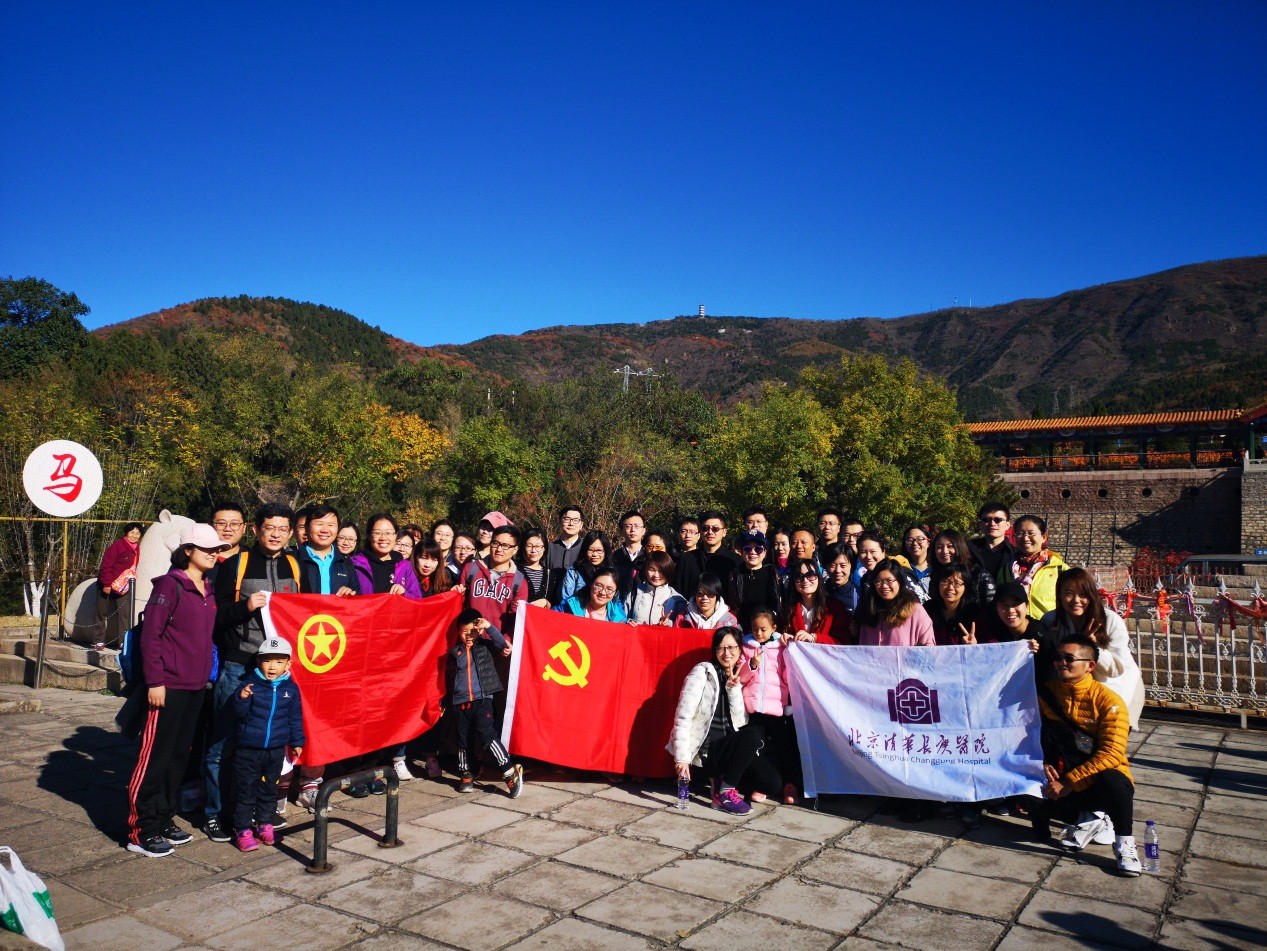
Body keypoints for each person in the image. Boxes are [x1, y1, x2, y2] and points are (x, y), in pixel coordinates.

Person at [126, 523, 224, 857]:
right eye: (206, 548)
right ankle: (141, 829)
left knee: (178, 757)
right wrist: (155, 681)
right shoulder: (170, 585)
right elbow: (150, 637)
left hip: (195, 687)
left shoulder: (207, 587)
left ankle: (164, 818)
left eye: (215, 549)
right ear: (188, 551)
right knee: (154, 758)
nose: (213, 554)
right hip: (167, 687)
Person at [204, 503, 300, 842]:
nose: (275, 534)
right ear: (256, 529)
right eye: (269, 527)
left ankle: (258, 812)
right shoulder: (236, 564)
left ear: (291, 533)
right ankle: (215, 812)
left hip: (277, 672)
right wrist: (245, 607)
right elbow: (216, 616)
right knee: (223, 745)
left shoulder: (294, 565)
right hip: (240, 666)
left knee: (267, 745)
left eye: (282, 529)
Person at [1027, 632, 1142, 876]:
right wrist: (1042, 763)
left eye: (1069, 659)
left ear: (1090, 666)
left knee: (1114, 780)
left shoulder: (1109, 701)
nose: (1062, 663)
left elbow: (1112, 753)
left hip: (1093, 780)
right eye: (1058, 657)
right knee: (1026, 786)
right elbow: (1029, 734)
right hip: (1061, 771)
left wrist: (1069, 783)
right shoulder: (1045, 694)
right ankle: (1085, 818)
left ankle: (1125, 844)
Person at [667, 627, 781, 814]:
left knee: (772, 783)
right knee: (752, 735)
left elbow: (740, 721)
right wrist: (682, 758)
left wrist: (733, 689)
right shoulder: (702, 672)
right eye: (721, 648)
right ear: (715, 650)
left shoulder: (737, 675)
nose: (727, 653)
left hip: (728, 749)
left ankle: (723, 781)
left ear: (739, 650)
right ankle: (725, 792)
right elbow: (683, 716)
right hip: (706, 752)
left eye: (732, 647)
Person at [1044, 568, 1144, 729]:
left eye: (1082, 594)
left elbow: (1115, 670)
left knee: (1112, 739)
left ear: (1091, 595)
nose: (1076, 600)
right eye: (1069, 593)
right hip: (1076, 692)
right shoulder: (1050, 621)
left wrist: (1093, 646)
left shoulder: (1110, 620)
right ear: (1059, 596)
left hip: (1116, 689)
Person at [230, 635, 304, 852]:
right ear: (258, 662)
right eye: (267, 661)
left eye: (279, 662)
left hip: (275, 750)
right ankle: (243, 830)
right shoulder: (250, 684)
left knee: (270, 789)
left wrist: (297, 741)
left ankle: (265, 824)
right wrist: (241, 698)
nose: (272, 667)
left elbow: (295, 718)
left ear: (288, 664)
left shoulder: (291, 689)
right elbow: (238, 713)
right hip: (249, 750)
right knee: (246, 791)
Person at [445, 610, 525, 797]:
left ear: (479, 630)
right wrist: (445, 701)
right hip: (460, 703)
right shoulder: (454, 651)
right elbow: (447, 678)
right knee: (463, 741)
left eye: (473, 631)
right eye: (464, 631)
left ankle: (509, 771)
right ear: (458, 631)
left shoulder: (485, 646)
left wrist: (488, 626)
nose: (468, 635)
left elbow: (501, 644)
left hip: (483, 700)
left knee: (488, 737)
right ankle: (466, 773)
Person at [738, 609, 800, 804]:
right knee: (759, 748)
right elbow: (741, 677)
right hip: (754, 707)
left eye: (763, 629)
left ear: (774, 628)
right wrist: (752, 664)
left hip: (776, 707)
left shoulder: (780, 647)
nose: (759, 633)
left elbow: (787, 678)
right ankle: (761, 784)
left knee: (784, 747)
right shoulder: (746, 646)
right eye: (755, 629)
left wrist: (789, 660)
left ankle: (790, 785)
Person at [461, 524, 529, 633]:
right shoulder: (471, 569)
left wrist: (506, 639)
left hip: (497, 640)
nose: (499, 549)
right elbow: (459, 604)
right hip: (469, 636)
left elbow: (516, 619)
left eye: (505, 546)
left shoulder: (519, 582)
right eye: (495, 543)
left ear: (515, 549)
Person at [855, 559, 936, 647]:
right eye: (879, 581)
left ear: (899, 582)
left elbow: (928, 647)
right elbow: (863, 649)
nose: (884, 586)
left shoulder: (915, 611)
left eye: (889, 580)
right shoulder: (869, 612)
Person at [999, 516, 1067, 619]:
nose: (1025, 538)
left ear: (1044, 537)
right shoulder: (1006, 569)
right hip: (1014, 627)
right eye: (1020, 534)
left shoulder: (1059, 569)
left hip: (1048, 627)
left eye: (1031, 533)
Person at [352, 514, 424, 600]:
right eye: (377, 533)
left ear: (395, 535)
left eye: (388, 533)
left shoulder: (405, 567)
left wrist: (404, 594)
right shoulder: (356, 564)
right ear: (369, 535)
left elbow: (417, 600)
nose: (383, 538)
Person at [780, 558, 852, 644]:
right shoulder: (788, 609)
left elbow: (843, 642)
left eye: (810, 575)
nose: (805, 580)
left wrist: (814, 638)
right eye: (799, 576)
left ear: (818, 578)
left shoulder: (835, 608)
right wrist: (784, 637)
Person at [295, 504, 360, 598]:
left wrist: (350, 594)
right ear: (307, 527)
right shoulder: (293, 559)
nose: (325, 530)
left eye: (331, 525)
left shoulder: (346, 564)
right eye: (319, 524)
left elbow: (358, 599)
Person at [97, 521, 143, 648]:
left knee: (124, 614)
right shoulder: (117, 546)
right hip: (108, 583)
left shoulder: (137, 548)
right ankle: (99, 640)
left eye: (137, 533)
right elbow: (106, 565)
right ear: (126, 533)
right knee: (101, 612)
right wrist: (106, 584)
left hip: (124, 586)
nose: (134, 535)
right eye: (132, 532)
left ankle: (123, 641)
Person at [730, 530, 781, 631]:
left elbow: (777, 606)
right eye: (747, 549)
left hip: (766, 631)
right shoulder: (734, 576)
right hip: (740, 630)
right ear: (741, 552)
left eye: (758, 549)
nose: (753, 552)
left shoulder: (772, 575)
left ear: (765, 552)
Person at [932, 528, 996, 607]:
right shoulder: (935, 576)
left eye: (950, 546)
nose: (945, 551)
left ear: (959, 547)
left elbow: (991, 607)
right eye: (939, 547)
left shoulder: (979, 576)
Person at [926, 562, 984, 646]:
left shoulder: (975, 612)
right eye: (945, 581)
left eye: (957, 583)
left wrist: (975, 645)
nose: (950, 587)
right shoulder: (928, 609)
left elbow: (991, 643)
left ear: (966, 587)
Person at [625, 550, 687, 625]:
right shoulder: (635, 593)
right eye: (652, 570)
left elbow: (682, 627)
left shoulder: (678, 600)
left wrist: (669, 624)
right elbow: (622, 617)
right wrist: (628, 622)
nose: (656, 575)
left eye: (661, 571)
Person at [555, 567, 628, 622]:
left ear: (615, 592)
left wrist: (630, 625)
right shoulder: (569, 606)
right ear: (591, 584)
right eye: (599, 586)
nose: (602, 592)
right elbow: (552, 619)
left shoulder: (620, 617)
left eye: (609, 589)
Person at [559, 530, 611, 603]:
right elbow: (565, 600)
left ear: (606, 551)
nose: (595, 554)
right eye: (591, 550)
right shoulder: (575, 572)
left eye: (599, 550)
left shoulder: (611, 574)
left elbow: (616, 600)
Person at [545, 506, 585, 602]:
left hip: (580, 605)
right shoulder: (548, 548)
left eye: (576, 520)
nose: (571, 523)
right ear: (560, 521)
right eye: (567, 519)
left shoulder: (587, 549)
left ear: (581, 525)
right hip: (551, 604)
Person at [970, 502, 1015, 584]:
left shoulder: (1015, 554)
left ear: (1008, 525)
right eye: (986, 520)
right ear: (980, 524)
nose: (992, 524)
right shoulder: (969, 550)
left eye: (998, 520)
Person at [610, 509, 647, 597]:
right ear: (622, 531)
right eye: (628, 526)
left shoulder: (649, 556)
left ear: (644, 530)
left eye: (637, 526)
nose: (632, 530)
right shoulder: (615, 557)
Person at [518, 529, 552, 607]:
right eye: (529, 546)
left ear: (544, 548)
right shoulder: (514, 569)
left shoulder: (549, 575)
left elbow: (554, 603)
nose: (533, 550)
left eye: (538, 546)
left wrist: (546, 603)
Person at [823, 544, 858, 614]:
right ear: (826, 567)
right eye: (832, 565)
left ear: (852, 566)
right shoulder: (818, 594)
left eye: (843, 566)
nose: (838, 570)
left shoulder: (859, 595)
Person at [674, 515, 703, 599]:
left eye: (692, 532)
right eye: (684, 531)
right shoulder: (671, 557)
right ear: (678, 534)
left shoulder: (703, 558)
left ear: (699, 535)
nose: (688, 535)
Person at [902, 524, 934, 599]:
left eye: (920, 539)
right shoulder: (901, 570)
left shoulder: (936, 570)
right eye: (910, 540)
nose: (915, 543)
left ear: (928, 542)